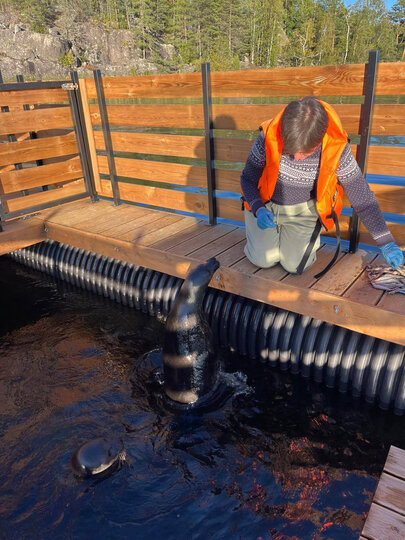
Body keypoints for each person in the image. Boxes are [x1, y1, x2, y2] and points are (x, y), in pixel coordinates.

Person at [240, 96, 404, 276]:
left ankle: (291, 240)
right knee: (263, 260)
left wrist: (386, 242)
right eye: (289, 151)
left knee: (294, 266)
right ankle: (266, 237)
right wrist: (258, 208)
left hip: (303, 213)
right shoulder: (268, 135)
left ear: (319, 140)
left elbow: (361, 195)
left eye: (305, 153)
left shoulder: (337, 148)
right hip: (266, 207)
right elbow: (247, 178)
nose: (296, 158)